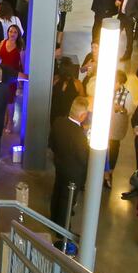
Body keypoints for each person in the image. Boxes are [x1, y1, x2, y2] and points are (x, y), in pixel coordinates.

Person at [51, 97, 89, 231]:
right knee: (67, 201)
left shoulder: (58, 122)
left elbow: (52, 144)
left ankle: (53, 220)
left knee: (57, 192)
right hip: (74, 172)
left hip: (60, 165)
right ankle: (63, 231)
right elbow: (83, 157)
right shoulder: (79, 134)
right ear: (83, 115)